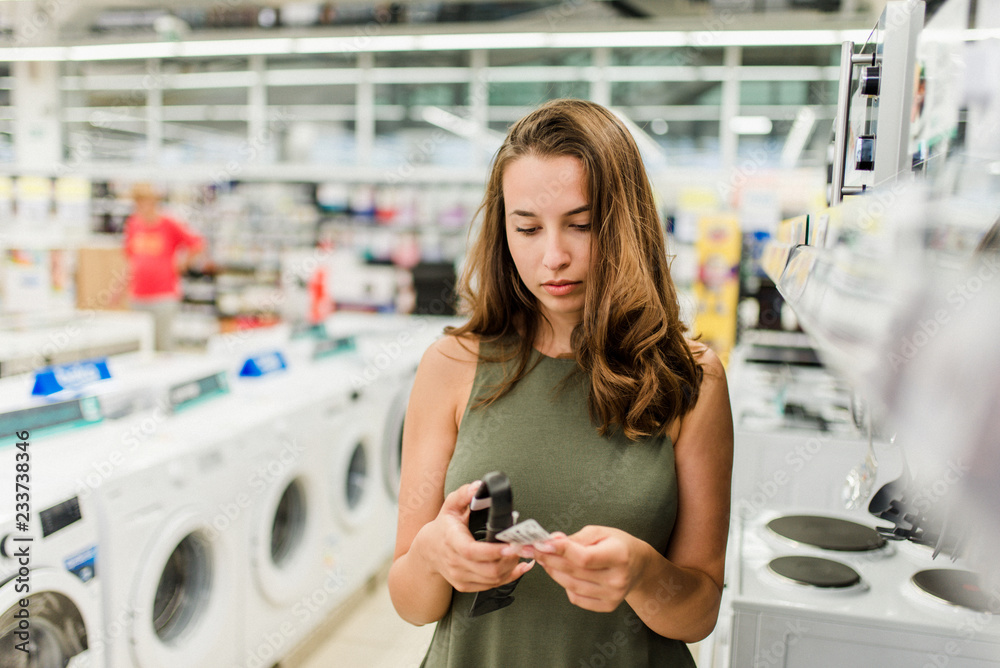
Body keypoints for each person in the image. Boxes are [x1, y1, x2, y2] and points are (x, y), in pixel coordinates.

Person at [388, 98, 733, 667]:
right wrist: (431, 557)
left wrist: (644, 576)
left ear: (625, 226)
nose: (554, 256)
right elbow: (411, 602)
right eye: (527, 227)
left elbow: (699, 611)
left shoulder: (691, 379)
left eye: (582, 224)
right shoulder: (451, 365)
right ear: (504, 231)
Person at [123, 182, 205, 351]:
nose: (140, 206)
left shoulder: (169, 223)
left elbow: (197, 244)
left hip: (163, 296)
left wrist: (182, 264)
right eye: (137, 201)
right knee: (141, 347)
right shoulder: (133, 224)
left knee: (163, 346)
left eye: (144, 201)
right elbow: (130, 257)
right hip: (138, 295)